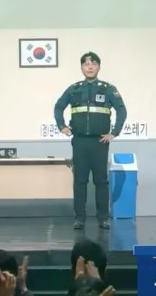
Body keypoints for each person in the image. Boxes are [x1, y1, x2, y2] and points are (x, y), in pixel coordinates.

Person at [54, 51, 127, 230]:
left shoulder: (107, 89)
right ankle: (79, 218)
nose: (90, 67)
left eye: (93, 64)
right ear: (81, 67)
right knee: (80, 182)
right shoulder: (74, 89)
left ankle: (103, 218)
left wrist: (114, 133)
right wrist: (62, 126)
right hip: (80, 142)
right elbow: (58, 107)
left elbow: (122, 110)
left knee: (101, 181)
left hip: (100, 142)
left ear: (99, 67)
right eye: (86, 64)